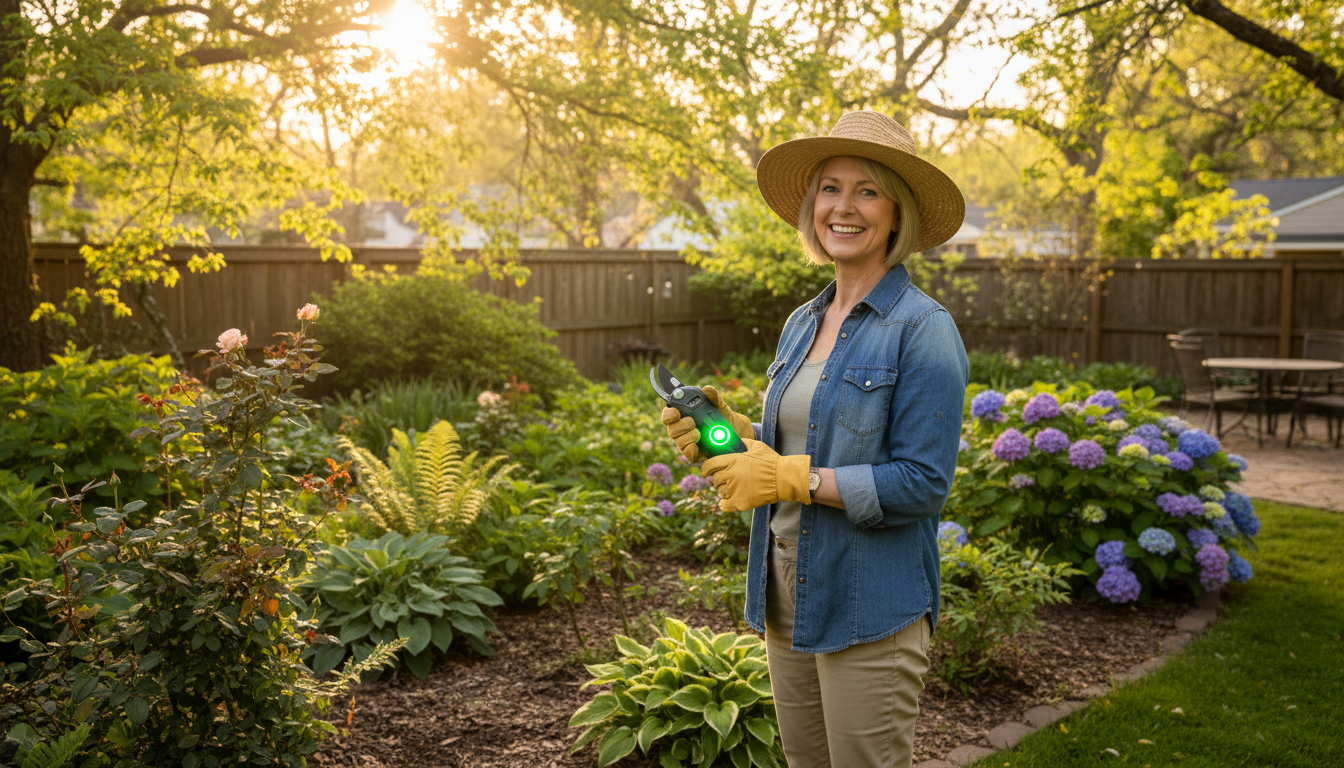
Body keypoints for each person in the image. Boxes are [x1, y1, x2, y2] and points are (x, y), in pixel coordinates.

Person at [661, 111, 969, 768]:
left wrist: (793, 478)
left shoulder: (923, 329)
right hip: (786, 594)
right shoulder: (803, 321)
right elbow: (795, 443)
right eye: (830, 187)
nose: (844, 206)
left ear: (896, 212)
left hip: (870, 606)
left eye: (867, 190)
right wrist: (736, 437)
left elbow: (922, 483)